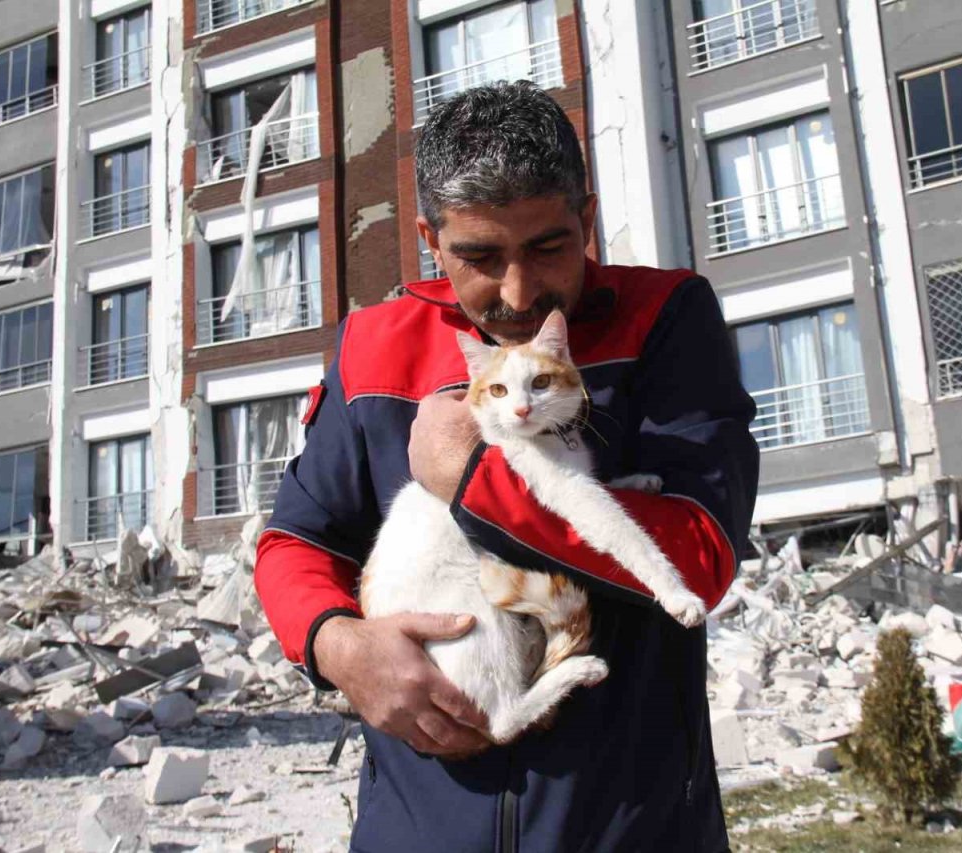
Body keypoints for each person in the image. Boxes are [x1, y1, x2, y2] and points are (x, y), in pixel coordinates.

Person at [254, 81, 759, 852]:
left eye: (550, 247)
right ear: (429, 237)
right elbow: (295, 543)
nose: (520, 292)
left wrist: (469, 479)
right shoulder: (373, 344)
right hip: (418, 828)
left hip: (632, 828)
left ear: (586, 218)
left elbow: (700, 552)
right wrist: (339, 648)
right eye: (480, 257)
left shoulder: (666, 316)